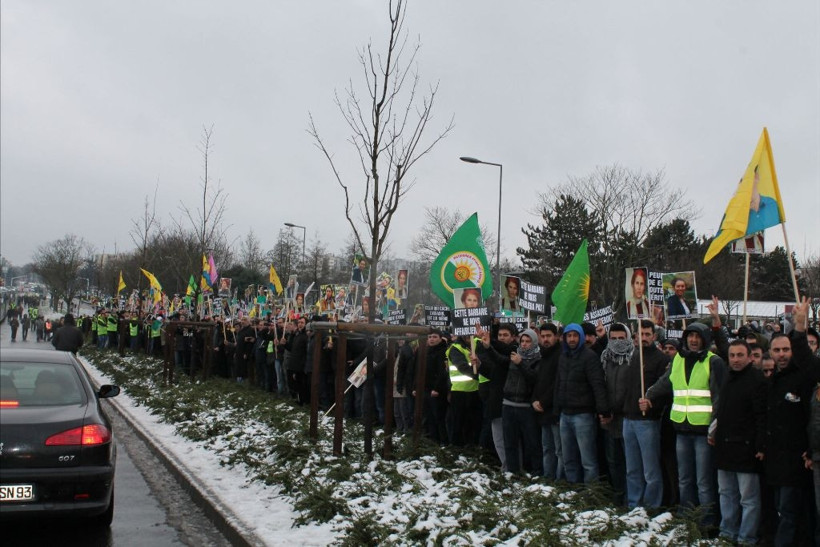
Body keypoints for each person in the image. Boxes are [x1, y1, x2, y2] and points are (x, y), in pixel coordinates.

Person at [640, 319, 727, 528]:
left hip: (704, 432)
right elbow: (665, 381)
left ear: (705, 339)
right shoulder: (678, 359)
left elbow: (719, 398)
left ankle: (707, 522)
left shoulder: (713, 361)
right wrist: (649, 395)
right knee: (684, 479)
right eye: (690, 336)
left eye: (698, 337)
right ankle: (686, 517)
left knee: (703, 482)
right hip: (681, 429)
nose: (693, 340)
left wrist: (714, 427)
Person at [764, 297, 818, 546]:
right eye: (777, 350)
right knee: (778, 508)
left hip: (798, 459)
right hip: (775, 459)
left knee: (790, 511)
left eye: (786, 350)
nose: (782, 355)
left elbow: (807, 361)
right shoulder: (769, 381)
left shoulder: (804, 377)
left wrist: (800, 327)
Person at [476, 324, 542, 475]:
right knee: (508, 442)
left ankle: (535, 472)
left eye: (528, 341)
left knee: (531, 443)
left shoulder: (537, 359)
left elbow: (534, 379)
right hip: (508, 404)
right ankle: (512, 472)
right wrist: (486, 350)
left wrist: (520, 363)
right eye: (523, 341)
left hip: (525, 406)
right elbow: (499, 362)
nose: (524, 344)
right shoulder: (514, 356)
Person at [554, 323, 611, 484]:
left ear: (580, 337)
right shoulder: (563, 357)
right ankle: (573, 490)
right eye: (569, 336)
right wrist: (557, 410)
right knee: (568, 458)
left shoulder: (589, 357)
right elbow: (558, 384)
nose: (572, 339)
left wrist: (603, 410)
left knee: (588, 461)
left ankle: (592, 493)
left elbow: (597, 385)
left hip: (583, 415)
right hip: (565, 414)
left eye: (575, 335)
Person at [622, 320, 669, 509]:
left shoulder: (662, 359)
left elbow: (665, 391)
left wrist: (651, 404)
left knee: (650, 470)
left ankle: (651, 506)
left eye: (647, 334)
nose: (643, 338)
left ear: (654, 336)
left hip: (648, 421)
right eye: (640, 334)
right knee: (632, 469)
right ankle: (634, 504)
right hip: (629, 418)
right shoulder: (633, 356)